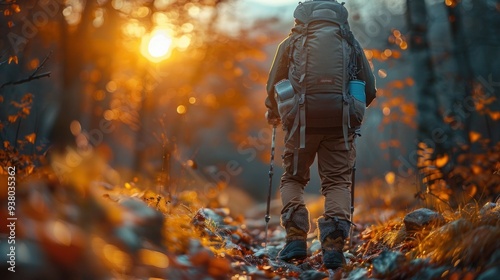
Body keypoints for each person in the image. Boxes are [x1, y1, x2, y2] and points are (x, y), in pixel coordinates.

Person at [264, 0, 376, 270]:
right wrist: (349, 110)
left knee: (293, 177)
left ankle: (295, 238)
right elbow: (369, 88)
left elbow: (273, 85)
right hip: (339, 124)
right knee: (337, 181)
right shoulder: (349, 40)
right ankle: (334, 247)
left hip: (299, 123)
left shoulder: (292, 42)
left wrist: (274, 113)